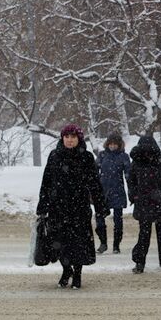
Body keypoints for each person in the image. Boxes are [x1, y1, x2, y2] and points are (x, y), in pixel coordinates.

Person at [37, 124, 109, 290]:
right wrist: (43, 205)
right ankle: (66, 270)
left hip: (79, 208)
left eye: (73, 137)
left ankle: (77, 274)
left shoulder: (86, 157)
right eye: (67, 137)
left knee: (78, 244)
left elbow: (95, 184)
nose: (70, 140)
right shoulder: (54, 156)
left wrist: (100, 206)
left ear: (79, 139)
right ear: (62, 138)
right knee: (60, 243)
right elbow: (46, 182)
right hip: (58, 208)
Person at [128, 135, 161, 273]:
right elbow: (131, 181)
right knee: (144, 235)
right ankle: (140, 262)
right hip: (143, 202)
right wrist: (134, 196)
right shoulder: (136, 163)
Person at [95, 133, 131, 254]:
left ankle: (116, 245)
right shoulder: (102, 155)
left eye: (115, 144)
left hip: (118, 191)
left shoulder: (124, 156)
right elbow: (94, 171)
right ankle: (103, 243)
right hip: (102, 191)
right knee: (99, 218)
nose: (112, 146)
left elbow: (128, 175)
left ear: (119, 144)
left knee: (118, 220)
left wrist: (132, 190)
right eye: (110, 144)